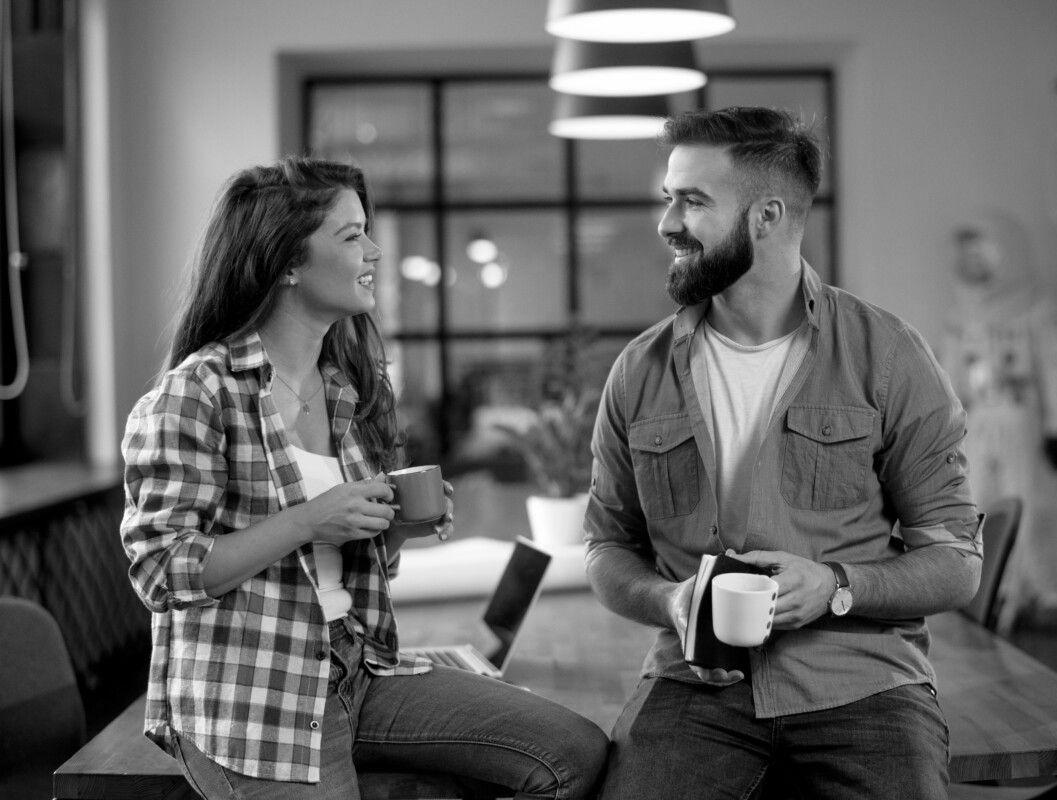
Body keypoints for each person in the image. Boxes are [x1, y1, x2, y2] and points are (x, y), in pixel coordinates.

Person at [120, 156, 607, 800]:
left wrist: (394, 531)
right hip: (252, 698)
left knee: (574, 754)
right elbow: (161, 570)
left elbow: (339, 571)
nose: (374, 249)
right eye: (352, 236)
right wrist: (310, 519)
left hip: (358, 667)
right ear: (286, 262)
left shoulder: (345, 391)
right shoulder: (197, 393)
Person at [584, 107, 982, 799]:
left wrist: (835, 587)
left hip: (862, 684)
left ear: (766, 217)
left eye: (693, 201)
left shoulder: (887, 355)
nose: (667, 222)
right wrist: (668, 600)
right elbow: (605, 547)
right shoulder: (638, 371)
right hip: (693, 689)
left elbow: (955, 562)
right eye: (667, 198)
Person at [941, 210, 1057, 632]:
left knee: (1031, 502)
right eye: (969, 257)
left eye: (984, 254)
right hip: (979, 423)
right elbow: (948, 376)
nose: (976, 266)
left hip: (1025, 421)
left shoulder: (1039, 312)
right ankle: (993, 591)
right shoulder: (960, 316)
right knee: (979, 502)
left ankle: (1043, 588)